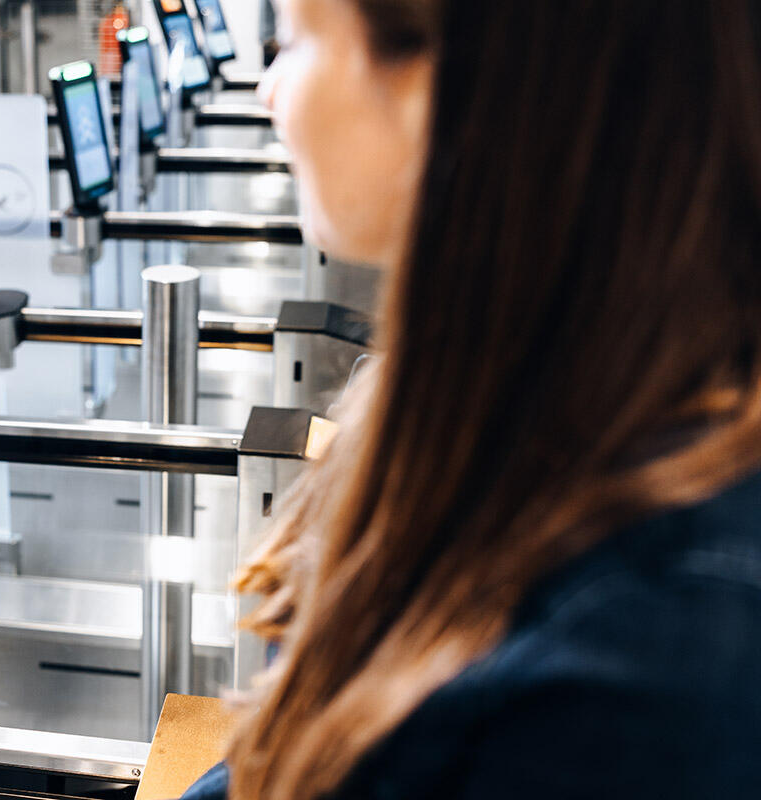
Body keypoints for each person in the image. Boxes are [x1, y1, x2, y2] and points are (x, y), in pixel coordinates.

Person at [185, 1, 761, 798]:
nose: (270, 91)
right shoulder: (526, 413)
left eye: (291, 41)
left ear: (439, 82)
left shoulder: (651, 669)